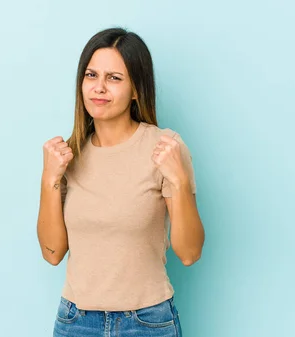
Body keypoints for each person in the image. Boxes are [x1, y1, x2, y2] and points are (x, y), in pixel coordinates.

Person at [37, 27, 205, 337]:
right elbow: (52, 253)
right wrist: (49, 181)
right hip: (76, 321)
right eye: (91, 76)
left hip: (146, 322)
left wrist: (179, 182)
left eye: (114, 78)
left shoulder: (164, 147)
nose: (99, 88)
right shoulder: (67, 155)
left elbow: (189, 252)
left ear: (136, 90)